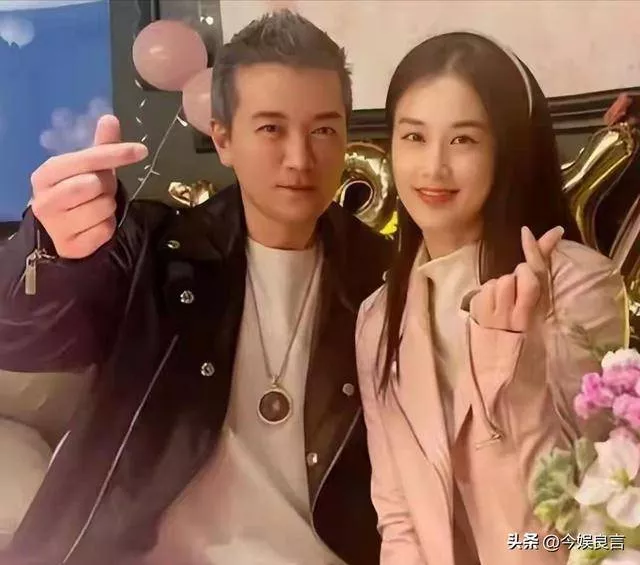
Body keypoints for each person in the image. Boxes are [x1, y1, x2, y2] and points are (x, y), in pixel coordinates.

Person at [0, 10, 390, 565]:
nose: (300, 159)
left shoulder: (382, 276)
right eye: (271, 129)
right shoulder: (155, 252)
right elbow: (24, 338)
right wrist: (50, 249)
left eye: (323, 129)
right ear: (224, 139)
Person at [355, 32, 628, 565]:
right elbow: (399, 521)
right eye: (413, 137)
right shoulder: (378, 319)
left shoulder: (577, 286)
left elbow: (579, 531)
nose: (433, 167)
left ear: (508, 151)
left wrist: (511, 366)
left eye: (463, 140)